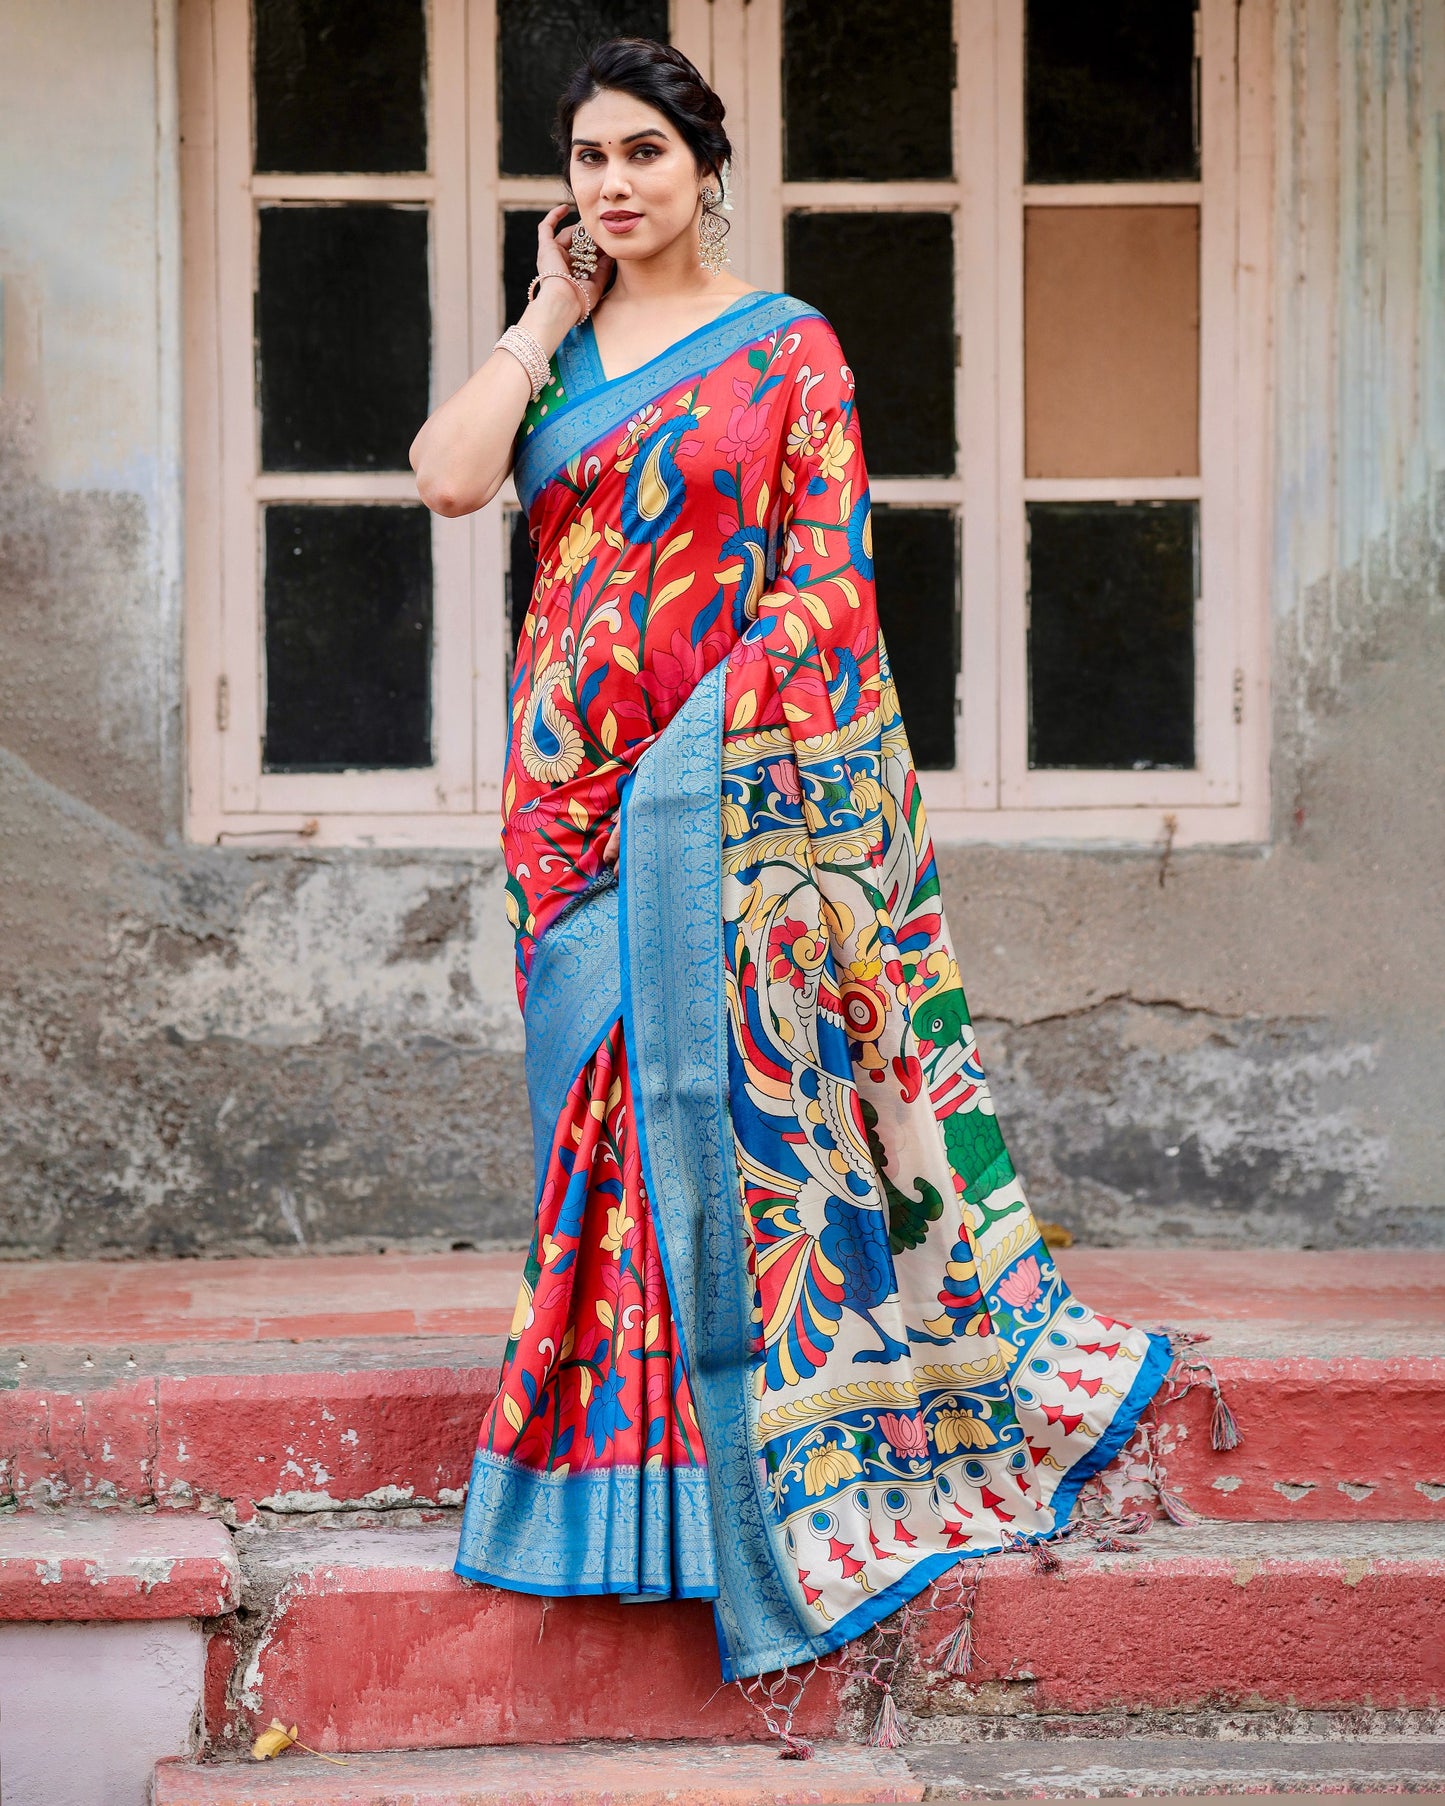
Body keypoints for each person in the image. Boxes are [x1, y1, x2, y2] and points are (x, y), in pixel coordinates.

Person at [410, 34, 1173, 1704]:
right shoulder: (560, 351)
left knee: (708, 1125)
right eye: (589, 156)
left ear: (705, 168)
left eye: (644, 152)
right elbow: (450, 476)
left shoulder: (787, 349)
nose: (615, 181)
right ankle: (619, 1493)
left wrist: (703, 751)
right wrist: (540, 316)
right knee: (599, 1130)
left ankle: (732, 1499)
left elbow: (829, 584)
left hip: (727, 797)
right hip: (567, 802)